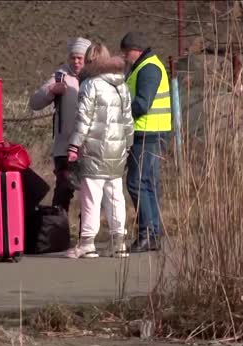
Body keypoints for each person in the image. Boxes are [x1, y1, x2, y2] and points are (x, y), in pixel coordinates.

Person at [62, 43, 134, 259]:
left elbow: (83, 119)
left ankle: (87, 243)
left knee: (91, 196)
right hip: (117, 149)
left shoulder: (90, 85)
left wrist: (74, 145)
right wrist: (127, 144)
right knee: (115, 196)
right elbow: (128, 120)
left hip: (94, 149)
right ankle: (118, 242)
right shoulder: (121, 85)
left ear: (91, 60)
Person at [120, 32, 172, 252]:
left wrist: (119, 112)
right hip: (149, 132)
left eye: (126, 52)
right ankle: (152, 234)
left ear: (136, 49)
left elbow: (142, 104)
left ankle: (146, 234)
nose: (124, 57)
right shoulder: (147, 66)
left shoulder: (148, 69)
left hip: (148, 133)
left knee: (136, 183)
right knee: (148, 184)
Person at [29, 37, 91, 212]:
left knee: (89, 194)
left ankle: (85, 235)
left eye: (80, 58)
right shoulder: (60, 76)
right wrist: (51, 91)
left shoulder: (94, 78)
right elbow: (35, 103)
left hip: (88, 146)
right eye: (73, 57)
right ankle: (58, 230)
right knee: (63, 189)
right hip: (64, 146)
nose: (76, 61)